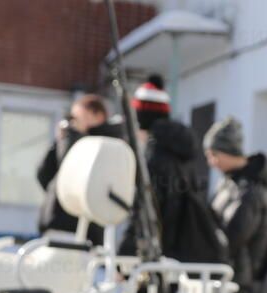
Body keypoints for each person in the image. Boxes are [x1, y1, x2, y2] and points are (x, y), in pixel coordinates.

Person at [121, 75, 227, 265]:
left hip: (167, 256)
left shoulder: (157, 155)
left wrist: (125, 254)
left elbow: (147, 208)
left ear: (142, 117)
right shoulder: (179, 152)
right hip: (186, 252)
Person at [204, 116, 267, 293]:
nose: (211, 162)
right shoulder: (230, 182)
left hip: (236, 277)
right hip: (225, 272)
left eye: (213, 154)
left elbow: (234, 236)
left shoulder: (251, 189)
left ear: (227, 151)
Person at [36, 94, 123, 244]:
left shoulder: (105, 142)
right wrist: (58, 142)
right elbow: (44, 175)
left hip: (82, 230)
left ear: (97, 115)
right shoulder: (73, 139)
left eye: (77, 117)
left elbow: (73, 175)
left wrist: (71, 137)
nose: (73, 122)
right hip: (58, 224)